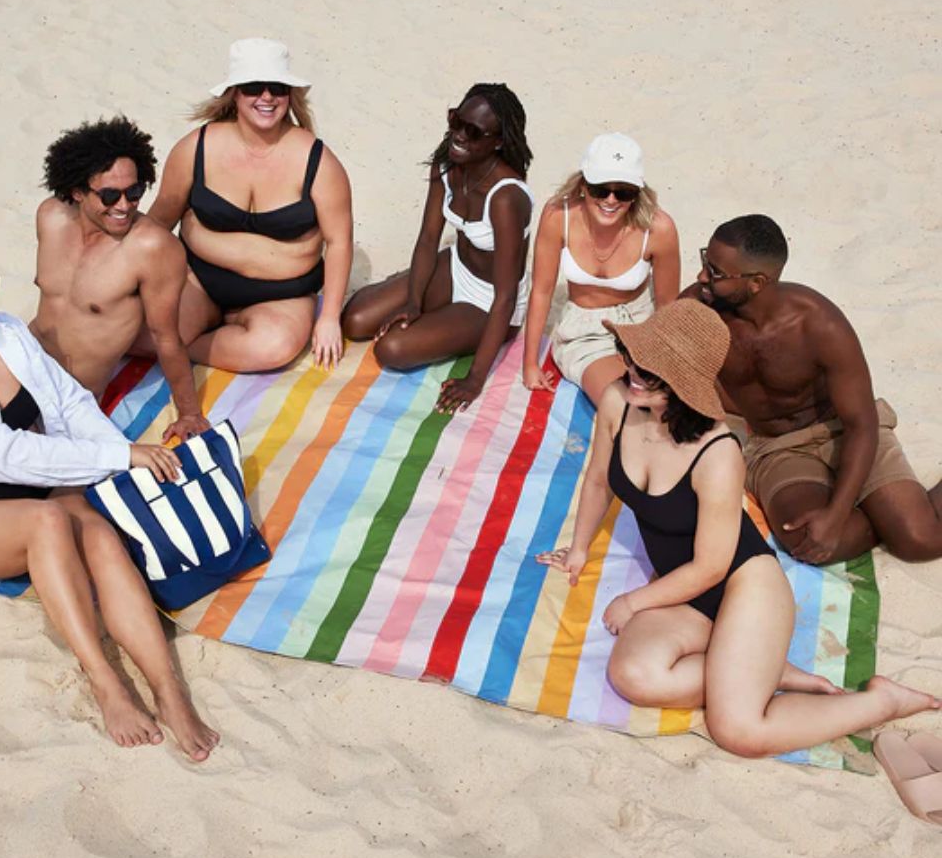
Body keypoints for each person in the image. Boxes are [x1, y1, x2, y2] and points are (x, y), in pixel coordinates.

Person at [538, 300, 939, 758]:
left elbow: (712, 567)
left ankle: (881, 701)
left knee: (738, 731)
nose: (632, 372)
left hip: (743, 587)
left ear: (684, 383)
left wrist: (634, 601)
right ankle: (762, 670)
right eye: (631, 356)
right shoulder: (619, 401)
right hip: (682, 592)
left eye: (650, 371)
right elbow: (597, 480)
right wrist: (578, 550)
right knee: (633, 676)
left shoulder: (717, 452)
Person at [0, 237, 219, 761]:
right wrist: (120, 456)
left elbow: (70, 401)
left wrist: (118, 454)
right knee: (46, 522)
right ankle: (104, 679)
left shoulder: (8, 332)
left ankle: (168, 692)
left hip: (47, 484)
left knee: (101, 538)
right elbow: (13, 456)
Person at [686, 214, 941, 565]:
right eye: (705, 260)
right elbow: (659, 362)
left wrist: (836, 515)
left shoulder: (819, 324)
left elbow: (861, 423)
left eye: (715, 272)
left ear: (757, 282)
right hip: (776, 445)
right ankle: (890, 518)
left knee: (920, 542)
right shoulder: (699, 309)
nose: (701, 276)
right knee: (807, 540)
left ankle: (895, 520)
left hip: (843, 430)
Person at [149, 38, 353, 371]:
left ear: (290, 95)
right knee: (137, 332)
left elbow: (339, 241)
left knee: (272, 348)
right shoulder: (195, 148)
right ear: (234, 93)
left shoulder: (318, 161)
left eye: (277, 88)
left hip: (282, 296)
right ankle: (181, 339)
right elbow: (158, 222)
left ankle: (181, 347)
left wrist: (329, 317)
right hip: (199, 282)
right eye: (254, 87)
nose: (267, 97)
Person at [342, 83, 534, 413]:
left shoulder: (505, 197)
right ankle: (420, 299)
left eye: (473, 131)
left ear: (498, 142)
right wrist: (413, 302)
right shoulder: (447, 165)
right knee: (354, 321)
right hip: (455, 265)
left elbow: (505, 296)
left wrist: (475, 379)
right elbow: (429, 239)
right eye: (456, 120)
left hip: (490, 302)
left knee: (391, 349)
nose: (458, 135)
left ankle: (441, 315)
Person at [31, 115, 209, 443]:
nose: (125, 206)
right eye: (110, 196)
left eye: (135, 192)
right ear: (78, 191)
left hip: (71, 397)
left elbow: (166, 338)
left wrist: (190, 414)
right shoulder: (50, 216)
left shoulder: (151, 247)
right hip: (22, 364)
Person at [522, 133, 680, 404]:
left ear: (637, 192)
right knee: (623, 404)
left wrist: (662, 360)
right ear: (583, 185)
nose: (611, 200)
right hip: (586, 334)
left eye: (624, 192)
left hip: (641, 326)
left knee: (668, 404)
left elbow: (668, 306)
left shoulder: (658, 229)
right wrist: (530, 364)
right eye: (600, 189)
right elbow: (542, 291)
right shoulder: (558, 216)